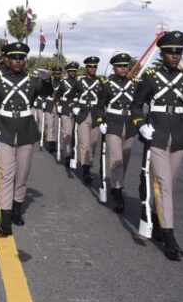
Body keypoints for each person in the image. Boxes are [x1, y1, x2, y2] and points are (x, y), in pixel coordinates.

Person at [131, 31, 183, 261]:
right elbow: (136, 106)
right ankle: (170, 239)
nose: (176, 56)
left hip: (178, 136)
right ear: (162, 53)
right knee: (164, 185)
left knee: (168, 185)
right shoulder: (149, 78)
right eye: (171, 52)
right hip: (157, 135)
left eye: (179, 52)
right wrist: (140, 125)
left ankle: (157, 220)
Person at [0, 42, 52, 236]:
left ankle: (17, 209)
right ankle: (5, 219)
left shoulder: (32, 80)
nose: (18, 61)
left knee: (22, 175)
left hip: (26, 131)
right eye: (14, 57)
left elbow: (47, 94)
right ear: (6, 59)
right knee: (6, 174)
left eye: (21, 58)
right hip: (5, 130)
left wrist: (47, 81)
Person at [98, 53, 138, 213]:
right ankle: (118, 192)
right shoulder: (107, 85)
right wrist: (101, 121)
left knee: (125, 159)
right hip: (113, 123)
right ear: (114, 68)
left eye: (125, 66)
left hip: (129, 124)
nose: (123, 68)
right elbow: (100, 104)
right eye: (120, 66)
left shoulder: (134, 85)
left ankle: (117, 184)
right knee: (117, 159)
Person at [67, 56, 104, 184]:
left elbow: (103, 100)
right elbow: (69, 98)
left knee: (93, 144)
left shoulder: (101, 83)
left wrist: (103, 117)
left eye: (95, 66)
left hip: (95, 115)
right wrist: (73, 108)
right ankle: (86, 171)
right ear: (86, 67)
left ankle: (88, 163)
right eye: (90, 66)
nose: (93, 68)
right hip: (82, 115)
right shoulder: (79, 83)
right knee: (85, 143)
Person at [55, 62, 80, 167]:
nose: (73, 73)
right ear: (68, 72)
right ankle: (67, 155)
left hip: (78, 109)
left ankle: (73, 153)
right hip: (65, 109)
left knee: (76, 135)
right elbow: (57, 96)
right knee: (67, 134)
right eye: (71, 71)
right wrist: (58, 105)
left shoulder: (80, 83)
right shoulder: (63, 83)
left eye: (74, 71)